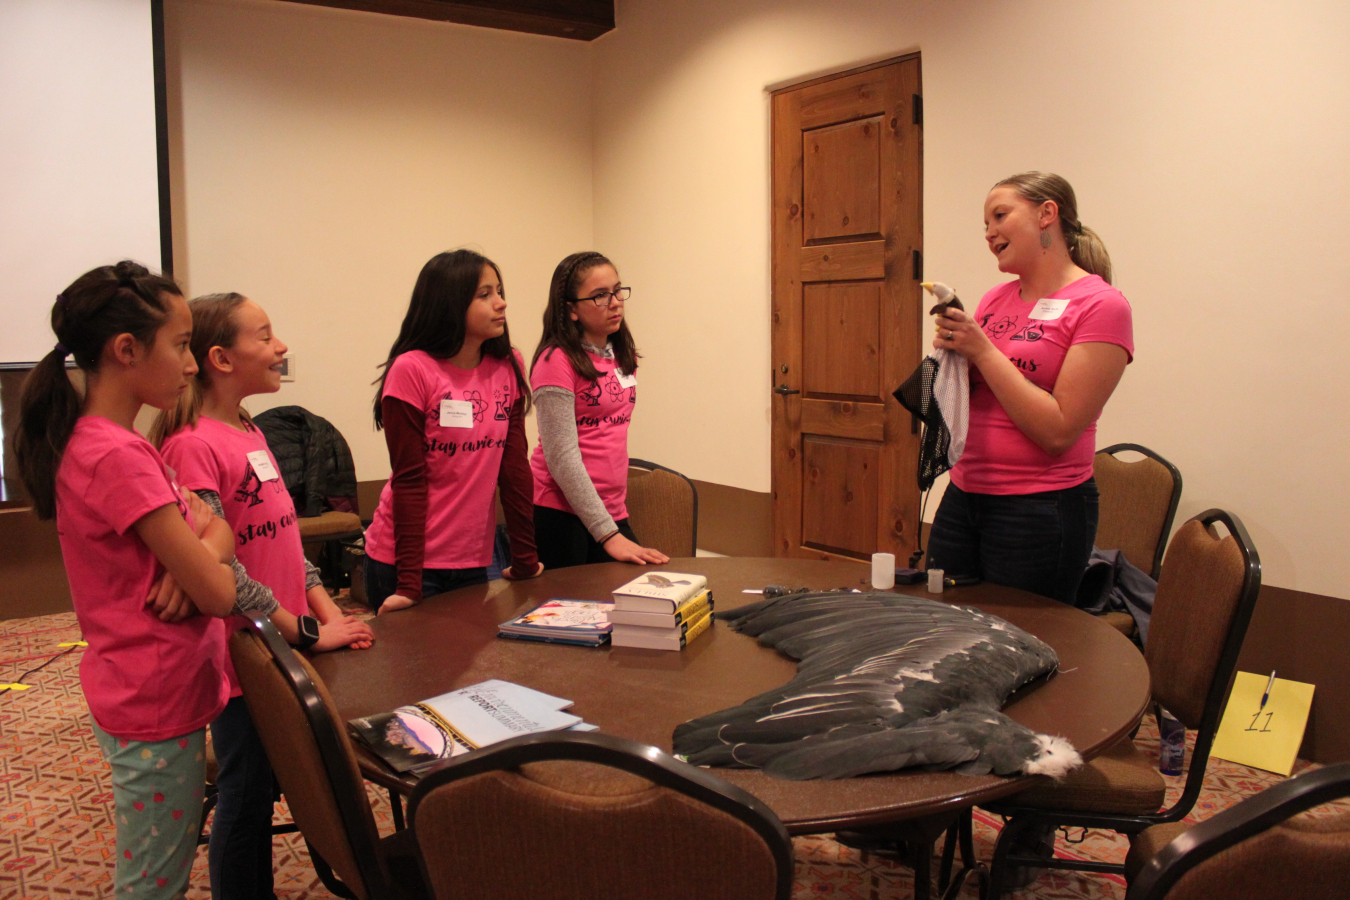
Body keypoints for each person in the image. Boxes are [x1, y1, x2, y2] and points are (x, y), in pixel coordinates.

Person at [13, 261, 237, 900]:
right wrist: (197, 565)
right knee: (152, 882)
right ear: (126, 349)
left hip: (146, 689)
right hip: (153, 700)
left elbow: (215, 525)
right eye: (182, 344)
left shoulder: (118, 443)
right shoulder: (114, 456)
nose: (192, 364)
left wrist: (193, 555)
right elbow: (220, 591)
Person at [151, 292, 375, 900]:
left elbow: (280, 535)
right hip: (245, 656)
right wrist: (302, 631)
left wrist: (326, 609)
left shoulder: (249, 428)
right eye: (267, 336)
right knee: (246, 795)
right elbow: (224, 572)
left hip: (283, 642)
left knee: (277, 781)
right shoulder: (193, 444)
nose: (281, 349)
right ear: (221, 358)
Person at [927, 172, 1133, 607]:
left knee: (1019, 646)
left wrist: (981, 351)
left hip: (1040, 510)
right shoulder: (994, 300)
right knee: (940, 630)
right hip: (964, 496)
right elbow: (977, 397)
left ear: (1047, 214)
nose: (989, 233)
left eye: (1000, 216)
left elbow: (1058, 431)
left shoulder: (1102, 306)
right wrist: (953, 358)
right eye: (985, 225)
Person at [364, 249, 543, 615]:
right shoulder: (412, 369)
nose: (501, 303)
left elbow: (513, 469)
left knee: (469, 670)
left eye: (499, 291)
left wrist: (525, 557)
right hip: (406, 564)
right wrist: (410, 585)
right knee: (414, 672)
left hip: (473, 559)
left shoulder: (508, 364)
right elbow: (409, 480)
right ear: (449, 303)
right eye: (485, 294)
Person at [529, 251, 670, 569]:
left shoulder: (621, 355)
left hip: (610, 509)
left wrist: (611, 521)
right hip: (561, 513)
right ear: (572, 310)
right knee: (575, 613)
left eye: (617, 291)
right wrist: (608, 534)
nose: (616, 302)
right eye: (600, 296)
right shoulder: (556, 361)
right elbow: (561, 458)